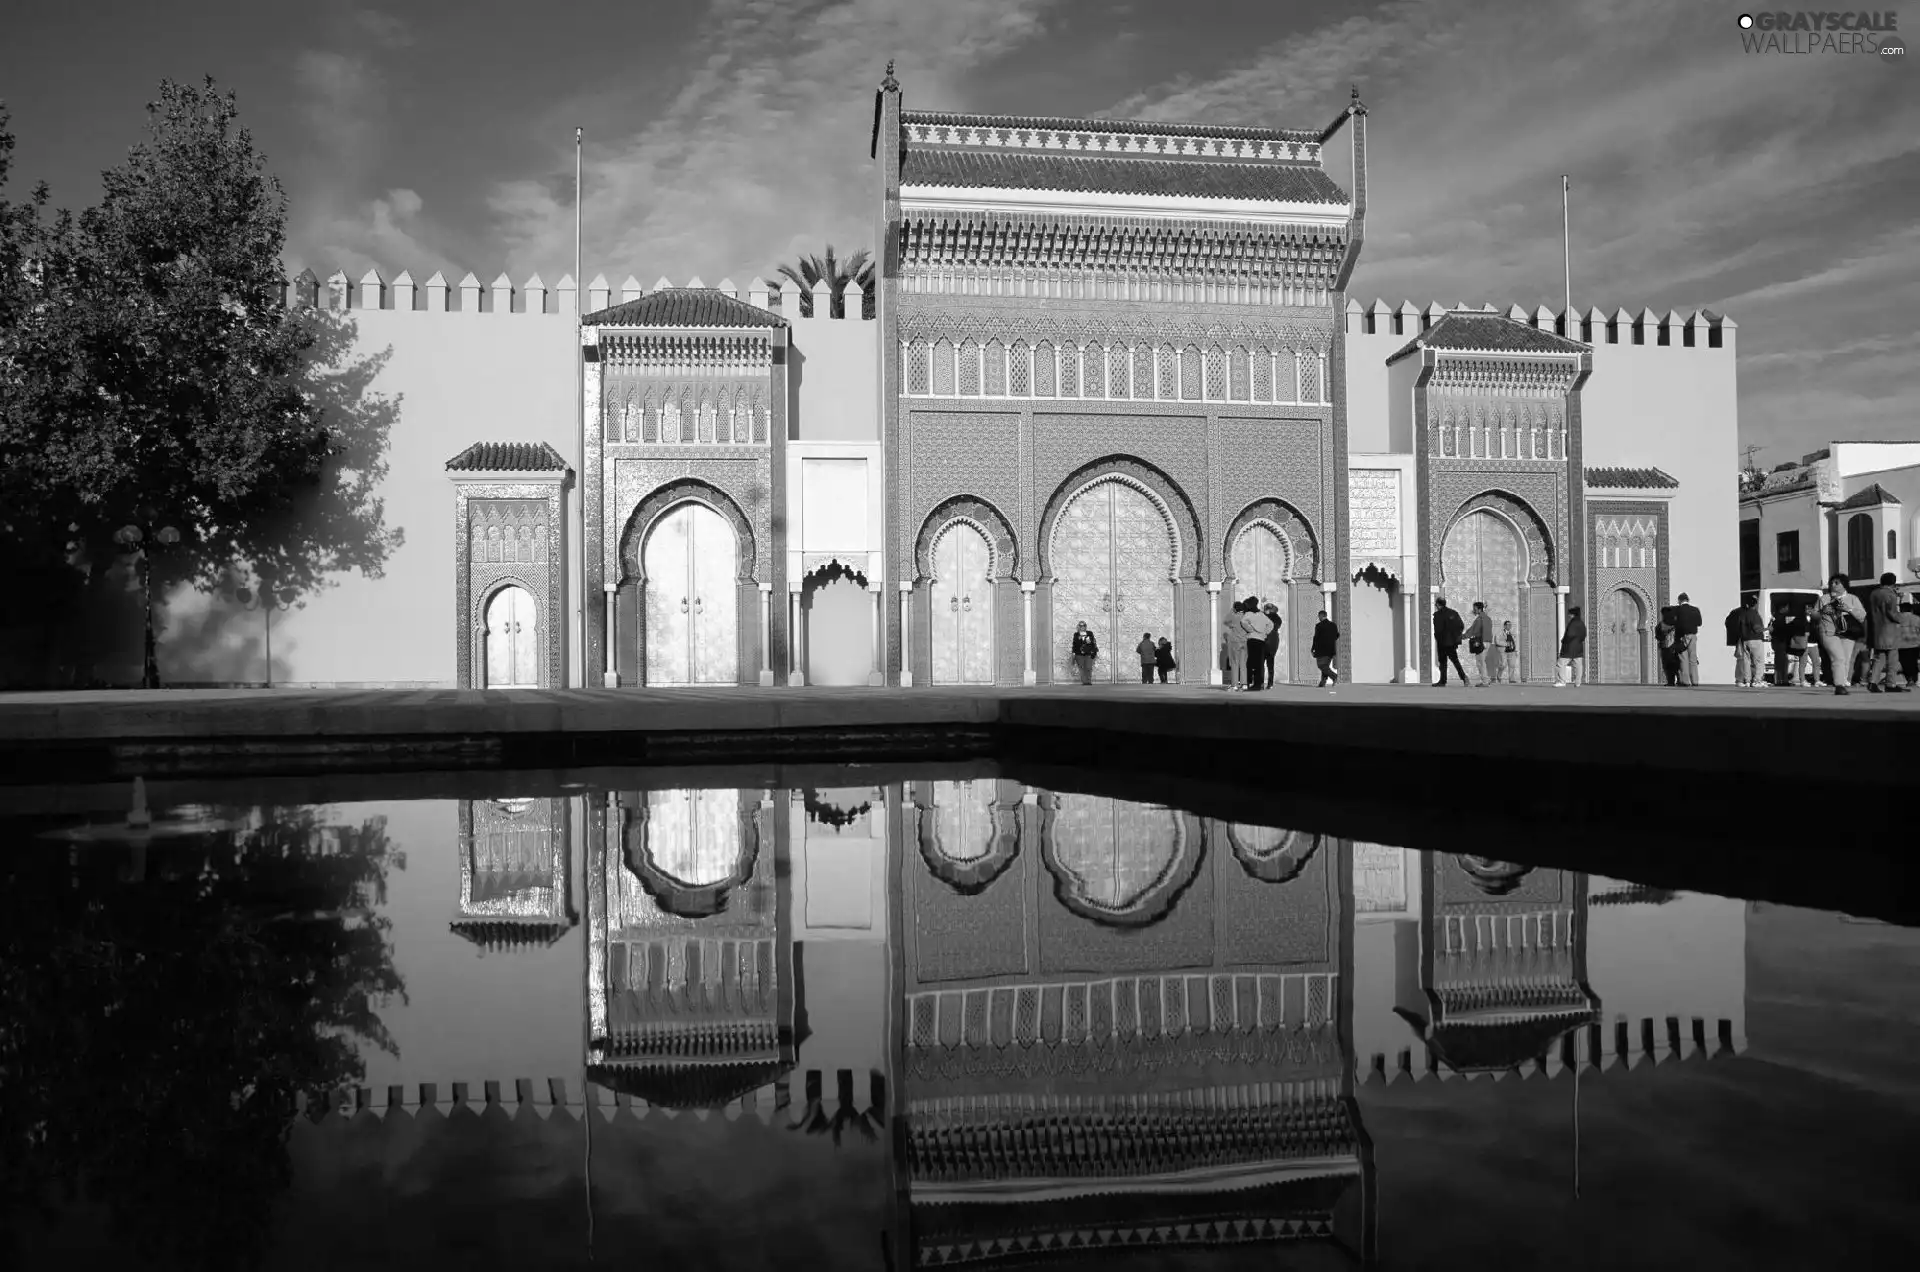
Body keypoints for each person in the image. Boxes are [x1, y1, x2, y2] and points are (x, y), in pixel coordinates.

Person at [1814, 574, 1865, 697]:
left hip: (1848, 633)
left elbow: (1862, 616)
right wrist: (1822, 612)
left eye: (1837, 583)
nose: (1833, 585)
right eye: (1832, 582)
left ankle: (1842, 682)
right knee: (1838, 657)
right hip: (1829, 632)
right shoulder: (1824, 599)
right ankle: (1839, 685)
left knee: (1845, 659)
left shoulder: (1853, 599)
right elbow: (1814, 617)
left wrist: (1849, 609)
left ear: (1844, 585)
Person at [1864, 572, 1910, 694]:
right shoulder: (1890, 594)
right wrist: (1902, 619)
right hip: (1890, 630)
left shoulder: (1874, 593)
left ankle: (1873, 682)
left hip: (1877, 629)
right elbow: (1892, 613)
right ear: (1893, 582)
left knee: (1879, 658)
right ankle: (1890, 684)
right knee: (1893, 659)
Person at [1432, 596, 1468, 687]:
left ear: (1438, 605)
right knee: (1455, 661)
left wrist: (1438, 638)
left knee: (1443, 662)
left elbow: (1438, 630)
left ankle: (1443, 681)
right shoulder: (1453, 613)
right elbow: (1461, 626)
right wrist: (1454, 636)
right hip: (1452, 642)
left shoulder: (1437, 615)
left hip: (1442, 642)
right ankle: (1464, 678)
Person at [1240, 596, 1274, 691]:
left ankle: (1250, 682)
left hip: (1252, 640)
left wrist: (1250, 629)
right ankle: (1258, 684)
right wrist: (1265, 632)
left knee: (1251, 663)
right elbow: (1271, 624)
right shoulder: (1262, 615)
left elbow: (1243, 622)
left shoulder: (1248, 614)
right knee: (1259, 663)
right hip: (1261, 641)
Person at [1671, 592, 1703, 685]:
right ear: (1688, 600)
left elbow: (1675, 622)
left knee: (1683, 658)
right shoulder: (1695, 609)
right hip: (1693, 635)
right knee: (1693, 658)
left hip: (1682, 636)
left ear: (1679, 600)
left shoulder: (1678, 610)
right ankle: (1695, 681)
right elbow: (1699, 623)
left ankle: (1685, 681)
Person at [1734, 596, 1766, 688]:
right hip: (1755, 639)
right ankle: (1757, 680)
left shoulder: (1742, 614)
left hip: (1745, 640)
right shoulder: (1754, 614)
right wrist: (1768, 628)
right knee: (1758, 661)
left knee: (1746, 661)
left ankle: (1747, 680)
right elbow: (1757, 629)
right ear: (1755, 604)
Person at [1463, 601, 1495, 687]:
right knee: (1481, 662)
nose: (1474, 610)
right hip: (1487, 642)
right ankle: (1485, 680)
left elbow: (1474, 630)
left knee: (1480, 662)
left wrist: (1463, 636)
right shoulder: (1487, 618)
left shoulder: (1480, 619)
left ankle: (1485, 681)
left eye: (1475, 608)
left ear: (1479, 609)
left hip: (1481, 642)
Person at [1781, 607, 1812, 687]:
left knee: (1792, 662)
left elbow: (1788, 628)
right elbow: (1807, 633)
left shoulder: (1795, 620)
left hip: (1794, 643)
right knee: (1803, 663)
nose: (1809, 611)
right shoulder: (1804, 620)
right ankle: (1802, 680)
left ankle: (1788, 679)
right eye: (1808, 609)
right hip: (1803, 643)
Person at [1556, 606, 1587, 686]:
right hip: (1578, 648)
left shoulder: (1573, 623)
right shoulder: (1581, 623)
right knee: (1578, 666)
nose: (1569, 615)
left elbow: (1569, 635)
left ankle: (1562, 681)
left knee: (1560, 664)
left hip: (1569, 648)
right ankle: (1578, 683)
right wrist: (1578, 641)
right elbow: (1584, 635)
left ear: (1573, 614)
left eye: (1570, 614)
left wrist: (1564, 640)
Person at [1224, 599, 1249, 690]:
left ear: (1235, 609)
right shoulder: (1246, 617)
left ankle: (1234, 684)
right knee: (1243, 663)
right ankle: (1244, 684)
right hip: (1245, 642)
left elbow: (1225, 621)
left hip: (1235, 642)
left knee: (1234, 663)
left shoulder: (1234, 617)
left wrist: (1232, 610)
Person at [1311, 609, 1340, 686]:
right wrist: (1330, 641)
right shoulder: (1333, 625)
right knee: (1325, 666)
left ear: (1321, 616)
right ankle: (1322, 683)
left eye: (1319, 616)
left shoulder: (1319, 626)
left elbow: (1316, 638)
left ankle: (1334, 676)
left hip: (1321, 650)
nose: (1318, 617)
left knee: (1321, 665)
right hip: (1331, 649)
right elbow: (1337, 635)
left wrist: (1313, 649)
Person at [1898, 596, 1920, 687]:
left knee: (1904, 662)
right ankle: (1913, 679)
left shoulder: (1898, 618)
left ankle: (1909, 679)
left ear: (1901, 609)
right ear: (1911, 609)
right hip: (1915, 643)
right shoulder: (1917, 618)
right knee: (1913, 661)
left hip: (1901, 644)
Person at [1261, 602, 1283, 688]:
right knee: (1270, 663)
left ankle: (1261, 683)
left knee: (1261, 664)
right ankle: (1270, 684)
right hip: (1273, 641)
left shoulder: (1261, 616)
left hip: (1263, 640)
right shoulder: (1277, 618)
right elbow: (1277, 626)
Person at [1070, 620, 1099, 686]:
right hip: (1079, 654)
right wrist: (1073, 653)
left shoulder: (1089, 633)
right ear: (1079, 627)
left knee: (1088, 667)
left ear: (1085, 626)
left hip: (1088, 653)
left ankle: (1089, 681)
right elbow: (1075, 644)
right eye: (1080, 626)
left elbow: (1091, 642)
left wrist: (1086, 638)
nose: (1082, 627)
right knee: (1081, 668)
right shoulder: (1076, 634)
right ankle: (1084, 682)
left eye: (1083, 626)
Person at [1656, 606, 1679, 685]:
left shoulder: (1661, 625)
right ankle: (1679, 680)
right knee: (1676, 664)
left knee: (1667, 665)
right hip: (1675, 647)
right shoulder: (1676, 624)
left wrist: (1663, 638)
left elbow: (1658, 636)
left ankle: (1670, 681)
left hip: (1665, 647)